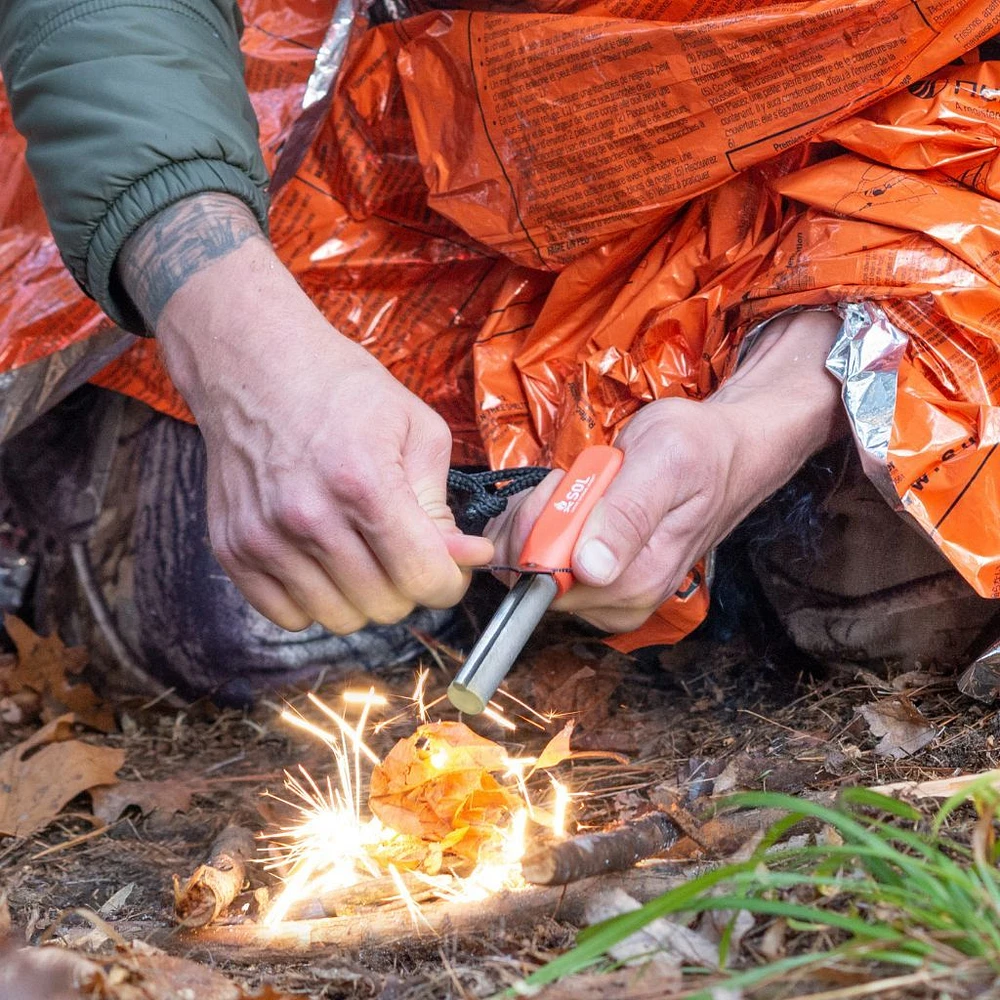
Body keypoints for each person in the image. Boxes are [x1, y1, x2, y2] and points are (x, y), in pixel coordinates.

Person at [0, 1, 993, 701]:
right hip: (341, 150)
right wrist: (243, 354)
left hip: (834, 167)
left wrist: (762, 423)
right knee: (247, 618)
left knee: (919, 568)